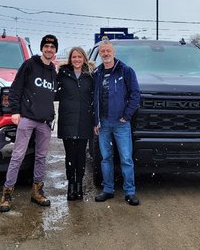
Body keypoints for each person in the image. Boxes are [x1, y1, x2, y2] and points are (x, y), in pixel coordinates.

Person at [0, 34, 59, 213]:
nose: (49, 49)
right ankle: (7, 195)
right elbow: (15, 88)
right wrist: (15, 111)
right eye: (46, 46)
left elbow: (53, 95)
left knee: (41, 157)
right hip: (27, 119)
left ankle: (37, 192)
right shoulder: (29, 65)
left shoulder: (53, 72)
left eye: (52, 47)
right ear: (42, 48)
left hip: (45, 122)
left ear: (55, 51)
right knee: (17, 156)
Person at [93, 39, 141, 206]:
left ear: (113, 52)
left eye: (108, 51)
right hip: (103, 124)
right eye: (102, 52)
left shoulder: (125, 71)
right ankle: (108, 189)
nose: (105, 54)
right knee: (105, 158)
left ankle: (130, 192)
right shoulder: (97, 73)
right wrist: (96, 121)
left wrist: (126, 116)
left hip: (121, 123)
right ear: (99, 54)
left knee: (126, 158)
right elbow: (94, 99)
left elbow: (135, 95)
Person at [56, 46, 94, 201]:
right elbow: (53, 93)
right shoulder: (63, 75)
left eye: (79, 57)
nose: (77, 60)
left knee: (81, 156)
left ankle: (79, 184)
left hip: (85, 121)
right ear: (70, 59)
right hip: (68, 120)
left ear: (84, 58)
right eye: (74, 57)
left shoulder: (90, 76)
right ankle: (71, 184)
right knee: (70, 155)